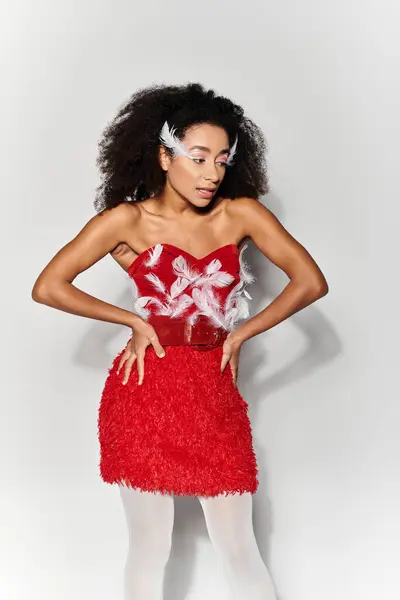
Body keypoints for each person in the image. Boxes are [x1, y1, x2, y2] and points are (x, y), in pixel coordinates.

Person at [32, 82, 328, 600]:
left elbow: (310, 281)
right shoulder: (126, 221)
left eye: (222, 159)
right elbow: (48, 286)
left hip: (213, 396)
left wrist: (243, 332)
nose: (213, 172)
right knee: (149, 547)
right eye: (198, 158)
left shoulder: (240, 215)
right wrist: (133, 320)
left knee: (240, 545)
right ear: (165, 156)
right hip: (144, 391)